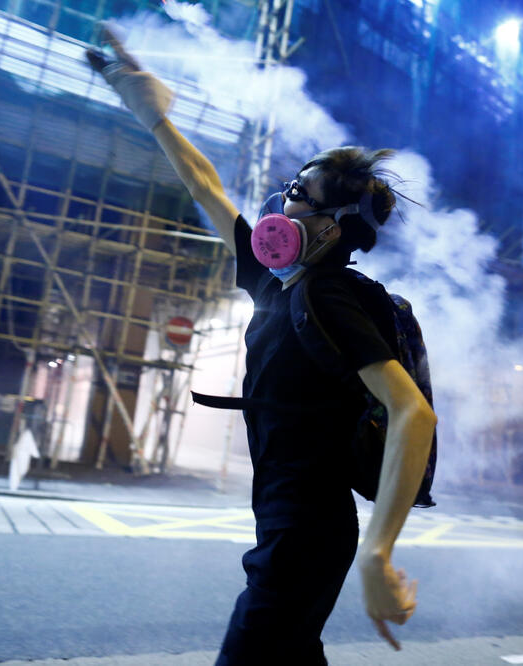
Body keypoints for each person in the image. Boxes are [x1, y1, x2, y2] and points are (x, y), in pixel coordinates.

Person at [87, 24, 436, 665]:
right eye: (287, 186)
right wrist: (154, 115)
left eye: (299, 195)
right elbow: (206, 190)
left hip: (307, 532)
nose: (280, 199)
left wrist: (379, 553)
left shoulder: (328, 295)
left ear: (333, 228)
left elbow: (412, 411)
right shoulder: (275, 283)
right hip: (282, 522)